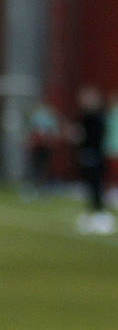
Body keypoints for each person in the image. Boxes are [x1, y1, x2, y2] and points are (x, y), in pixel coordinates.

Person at [73, 84, 114, 233]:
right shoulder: (84, 116)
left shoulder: (97, 117)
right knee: (89, 185)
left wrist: (81, 138)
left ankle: (101, 215)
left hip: (95, 155)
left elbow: (96, 137)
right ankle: (93, 213)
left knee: (96, 185)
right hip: (87, 154)